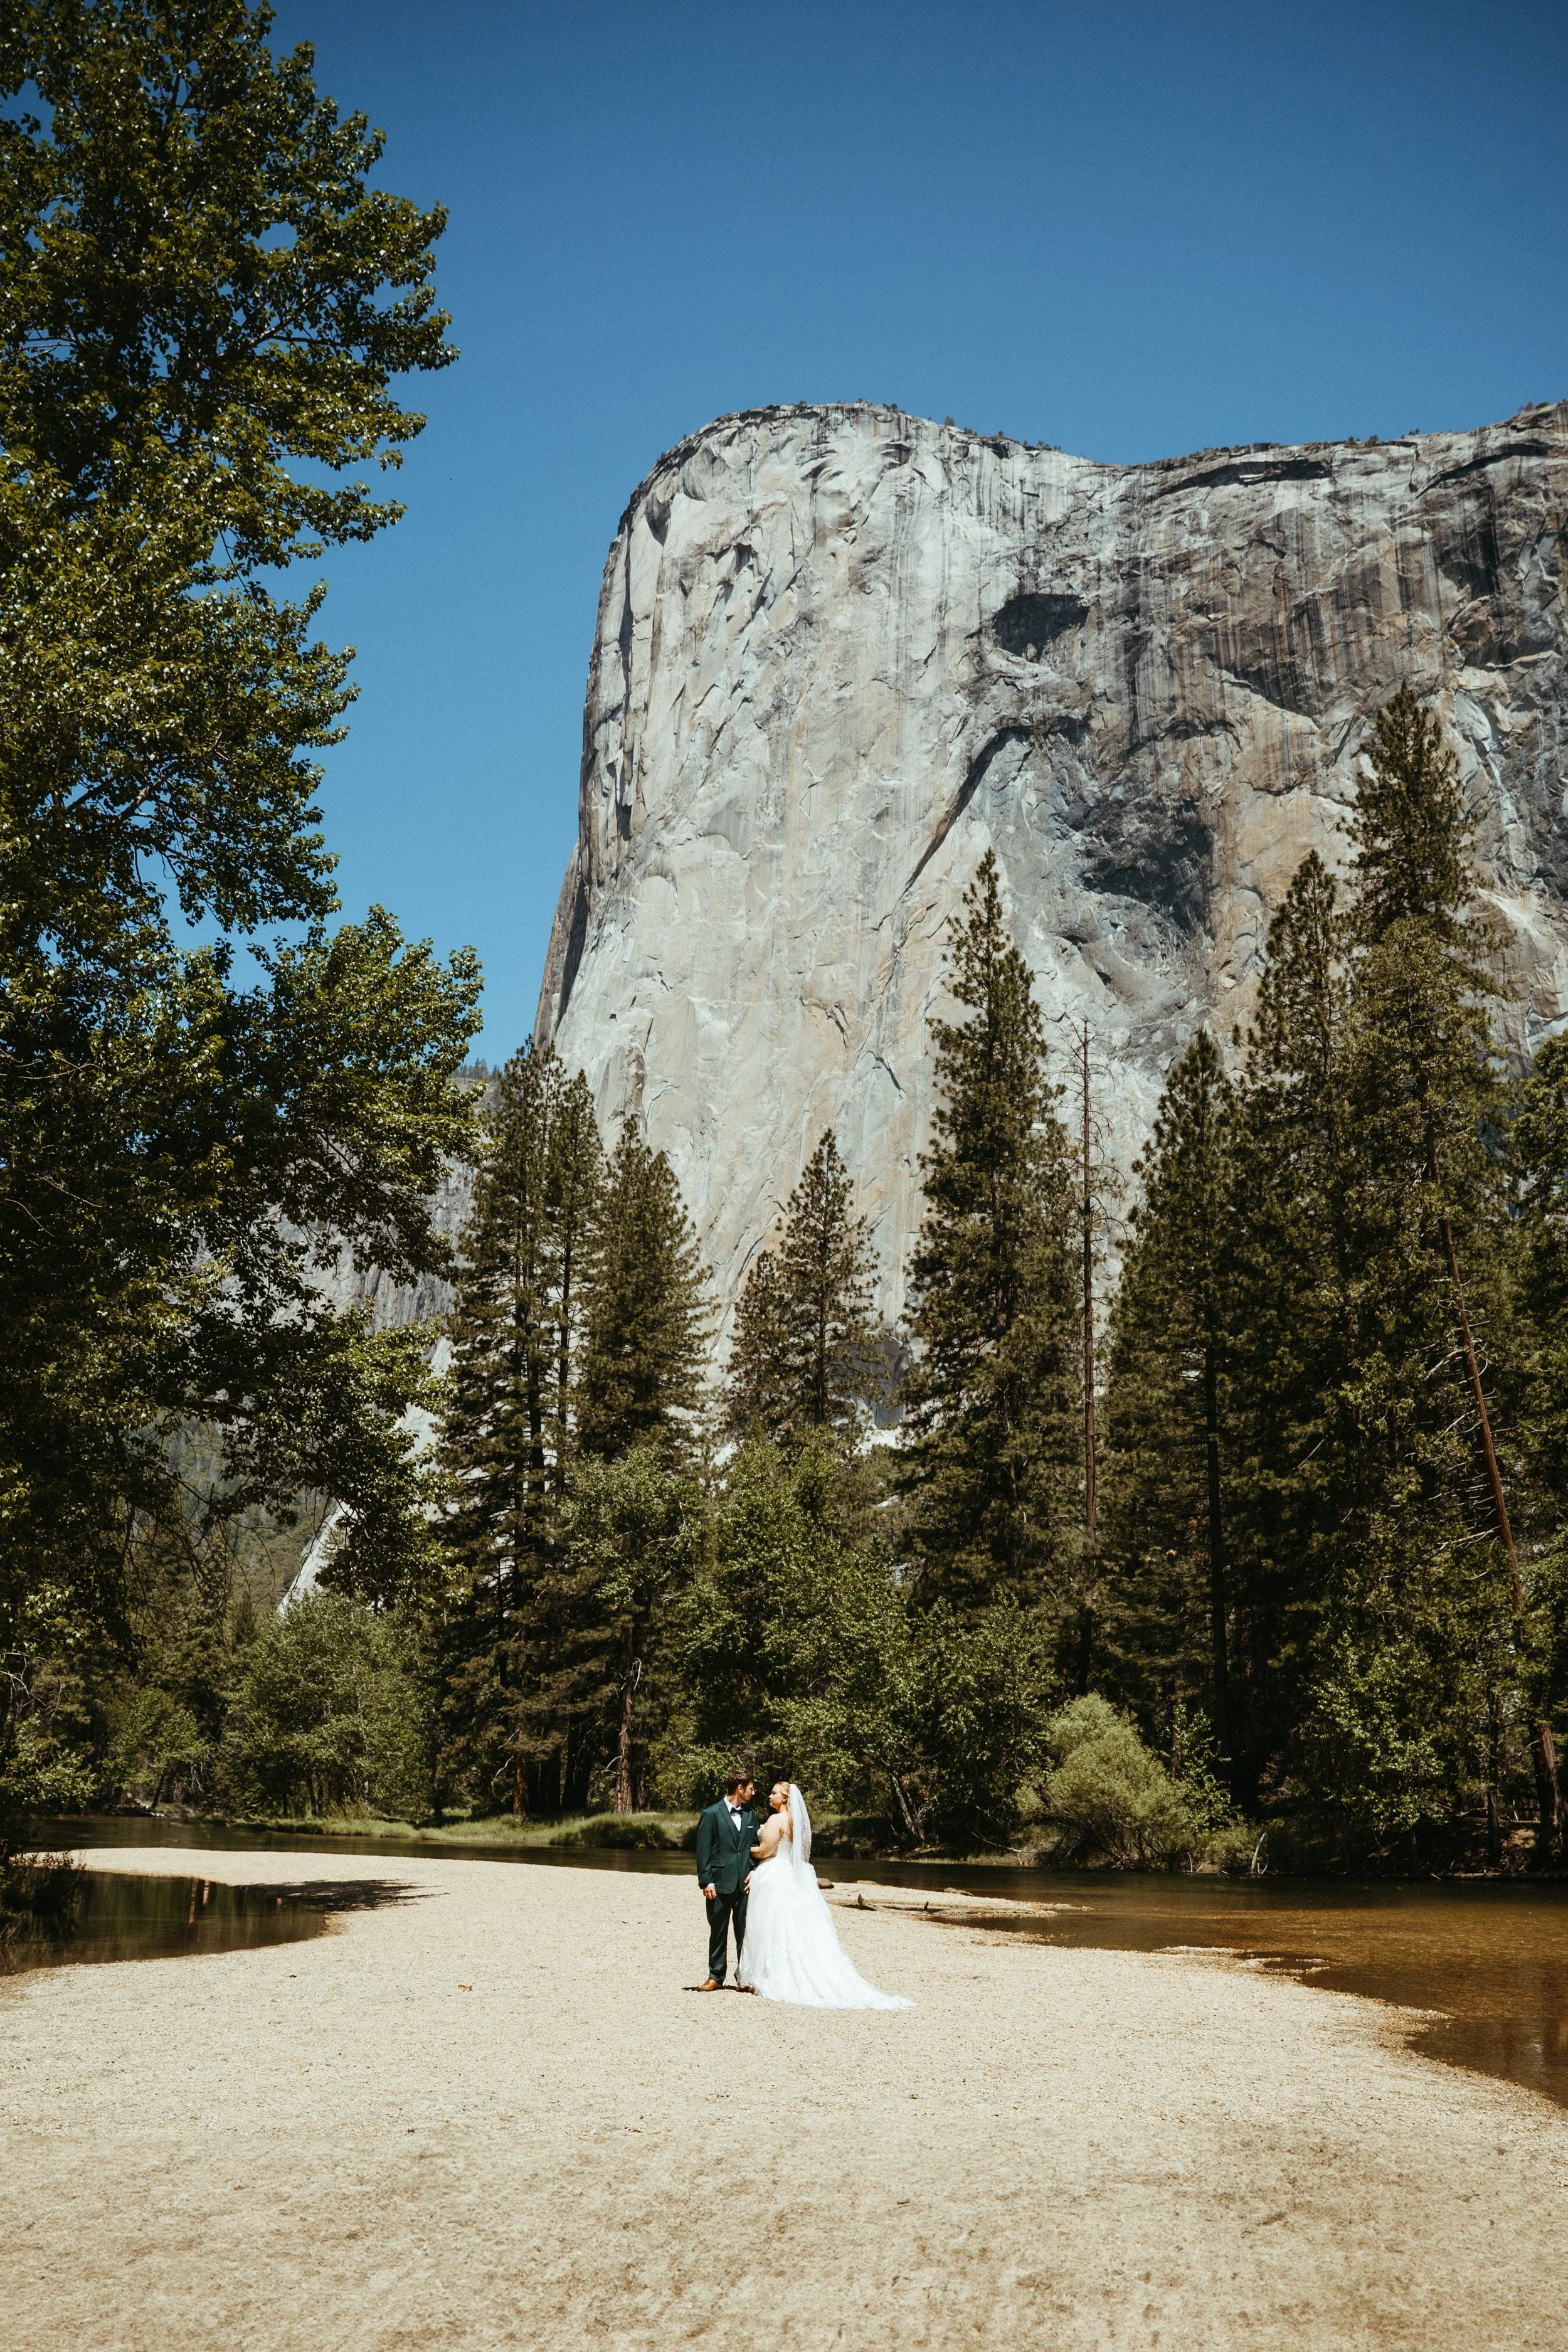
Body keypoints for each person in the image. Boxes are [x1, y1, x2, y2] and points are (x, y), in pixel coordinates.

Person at [736, 1780, 912, 2010]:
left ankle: (769, 1975)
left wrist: (739, 1850)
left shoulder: (776, 1820)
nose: (770, 1797)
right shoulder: (795, 1822)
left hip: (774, 1874)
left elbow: (764, 1851)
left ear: (786, 1798)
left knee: (771, 1925)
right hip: (791, 1873)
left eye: (774, 1793)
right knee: (791, 1927)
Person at [694, 1769, 758, 1989]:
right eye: (751, 1788)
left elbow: (755, 1849)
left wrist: (755, 1871)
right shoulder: (711, 1813)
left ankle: (745, 1977)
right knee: (718, 1931)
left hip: (745, 1885)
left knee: (745, 1932)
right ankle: (715, 1977)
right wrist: (706, 1881)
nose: (754, 1791)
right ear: (740, 1788)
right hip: (719, 1884)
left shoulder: (752, 1815)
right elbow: (703, 1850)